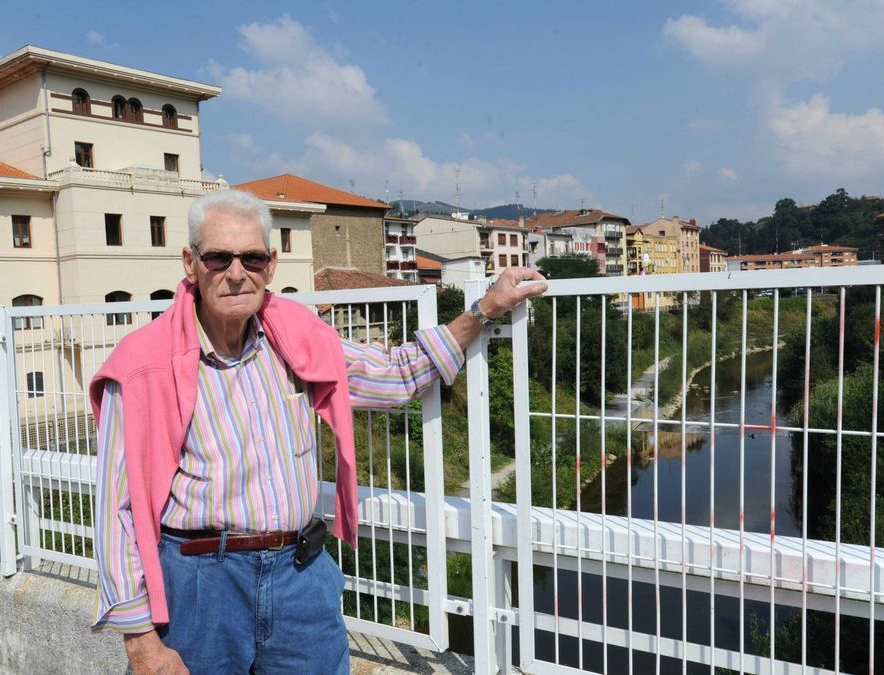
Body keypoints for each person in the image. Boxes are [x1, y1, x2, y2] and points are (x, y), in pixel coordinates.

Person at [89, 189, 545, 674]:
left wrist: (483, 310)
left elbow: (394, 374)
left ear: (272, 264)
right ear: (191, 262)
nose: (237, 273)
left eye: (253, 258)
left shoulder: (296, 336)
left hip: (299, 578)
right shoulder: (142, 365)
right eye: (219, 257)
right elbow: (116, 509)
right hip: (201, 588)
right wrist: (142, 643)